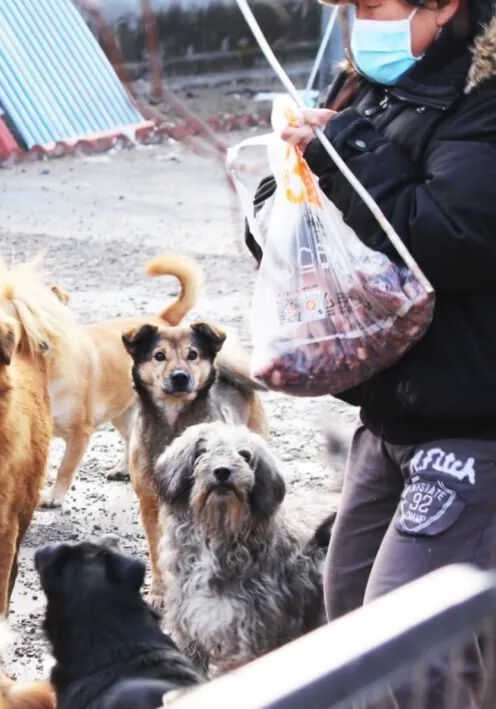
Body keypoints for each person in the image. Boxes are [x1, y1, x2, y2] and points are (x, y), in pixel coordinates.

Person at [246, 1, 495, 706]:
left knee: (406, 642)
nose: (360, 23)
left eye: (374, 5)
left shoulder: (483, 98)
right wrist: (284, 192)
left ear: (443, 5)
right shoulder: (371, 83)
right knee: (351, 608)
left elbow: (453, 235)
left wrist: (345, 148)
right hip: (390, 411)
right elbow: (324, 217)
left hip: (473, 421)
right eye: (351, 8)